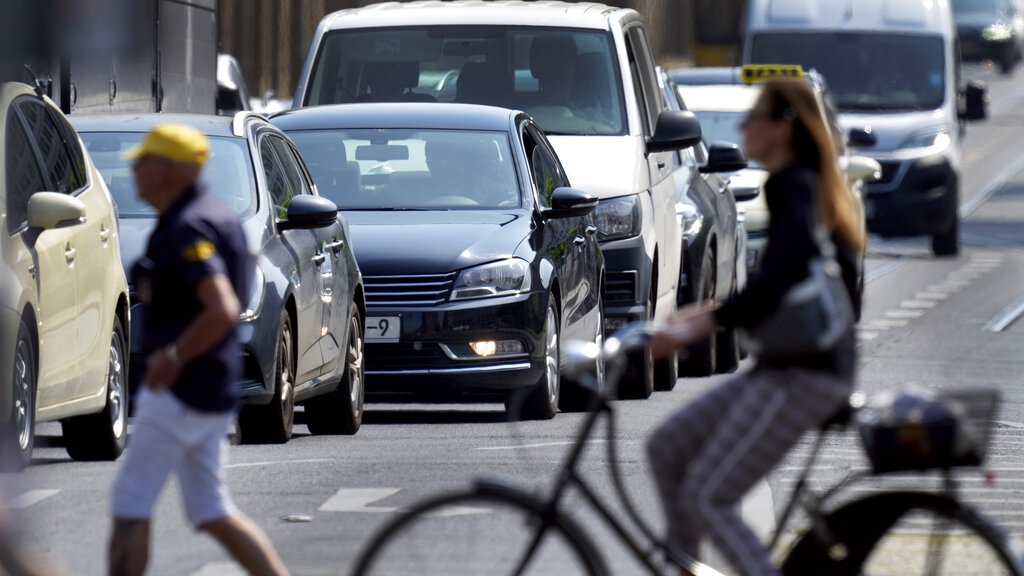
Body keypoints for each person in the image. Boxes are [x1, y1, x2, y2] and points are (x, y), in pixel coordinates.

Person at [645, 79, 865, 576]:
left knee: (710, 496)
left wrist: (704, 324)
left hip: (808, 375)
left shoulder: (799, 186)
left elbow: (785, 273)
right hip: (781, 369)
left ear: (784, 127)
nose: (743, 126)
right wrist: (696, 315)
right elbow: (779, 281)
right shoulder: (800, 186)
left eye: (754, 117)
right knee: (666, 445)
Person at [108, 123, 290, 576]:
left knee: (131, 503)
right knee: (210, 510)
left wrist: (172, 358)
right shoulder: (214, 216)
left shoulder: (190, 228)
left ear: (168, 169)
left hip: (180, 392)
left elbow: (222, 307)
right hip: (207, 388)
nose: (134, 170)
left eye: (143, 161)